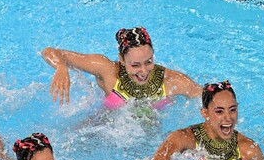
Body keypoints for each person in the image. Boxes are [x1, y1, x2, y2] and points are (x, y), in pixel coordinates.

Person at [152, 80, 264, 160]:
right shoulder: (186, 137)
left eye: (232, 110)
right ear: (205, 113)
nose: (228, 118)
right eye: (219, 111)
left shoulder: (248, 149)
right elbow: (159, 159)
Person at [41, 27, 201, 108]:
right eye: (135, 65)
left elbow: (208, 96)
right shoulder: (107, 70)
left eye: (149, 62)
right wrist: (61, 67)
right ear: (122, 60)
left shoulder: (172, 81)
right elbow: (50, 52)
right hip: (104, 128)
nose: (144, 71)